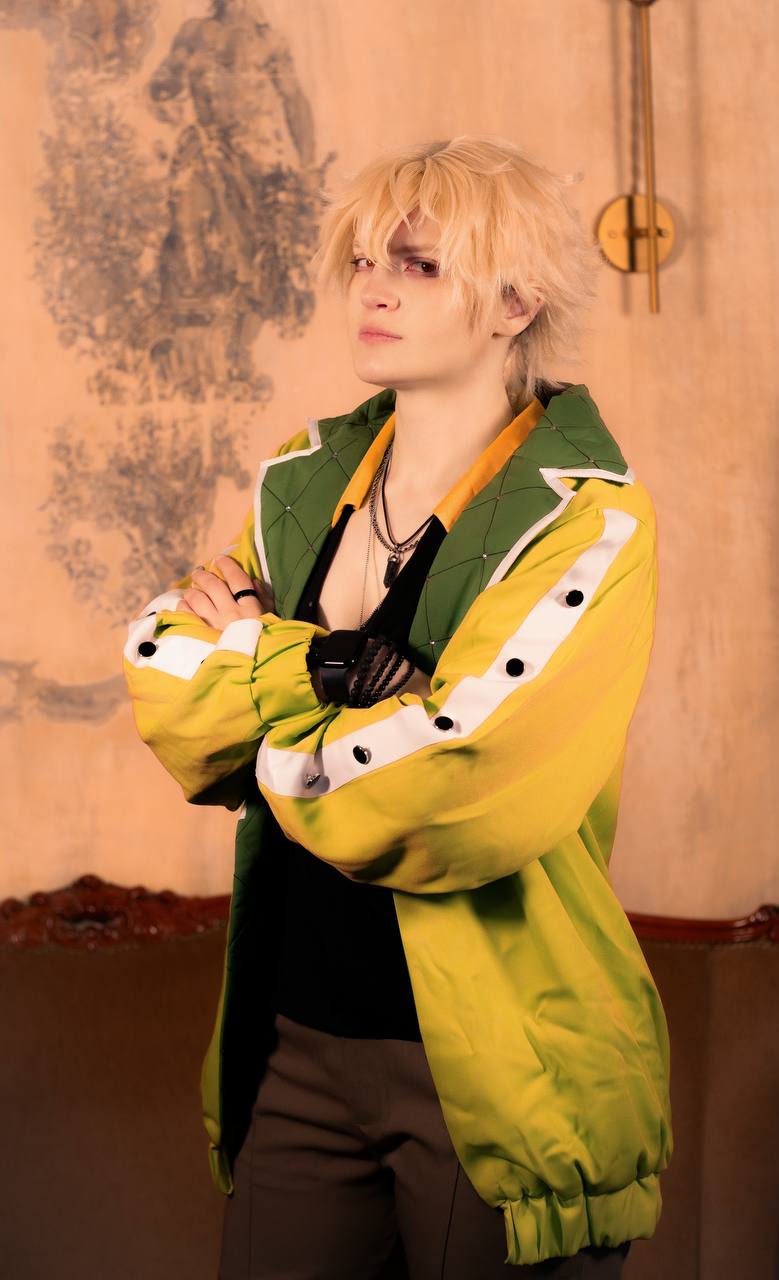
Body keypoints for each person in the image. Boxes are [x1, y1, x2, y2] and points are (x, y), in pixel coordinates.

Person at [122, 134, 673, 1278]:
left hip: (495, 1062)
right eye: (366, 259)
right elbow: (170, 689)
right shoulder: (303, 478)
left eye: (420, 265)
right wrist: (333, 672)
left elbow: (457, 783)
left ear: (514, 302)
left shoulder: (587, 519)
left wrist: (257, 679)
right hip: (296, 1040)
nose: (372, 288)